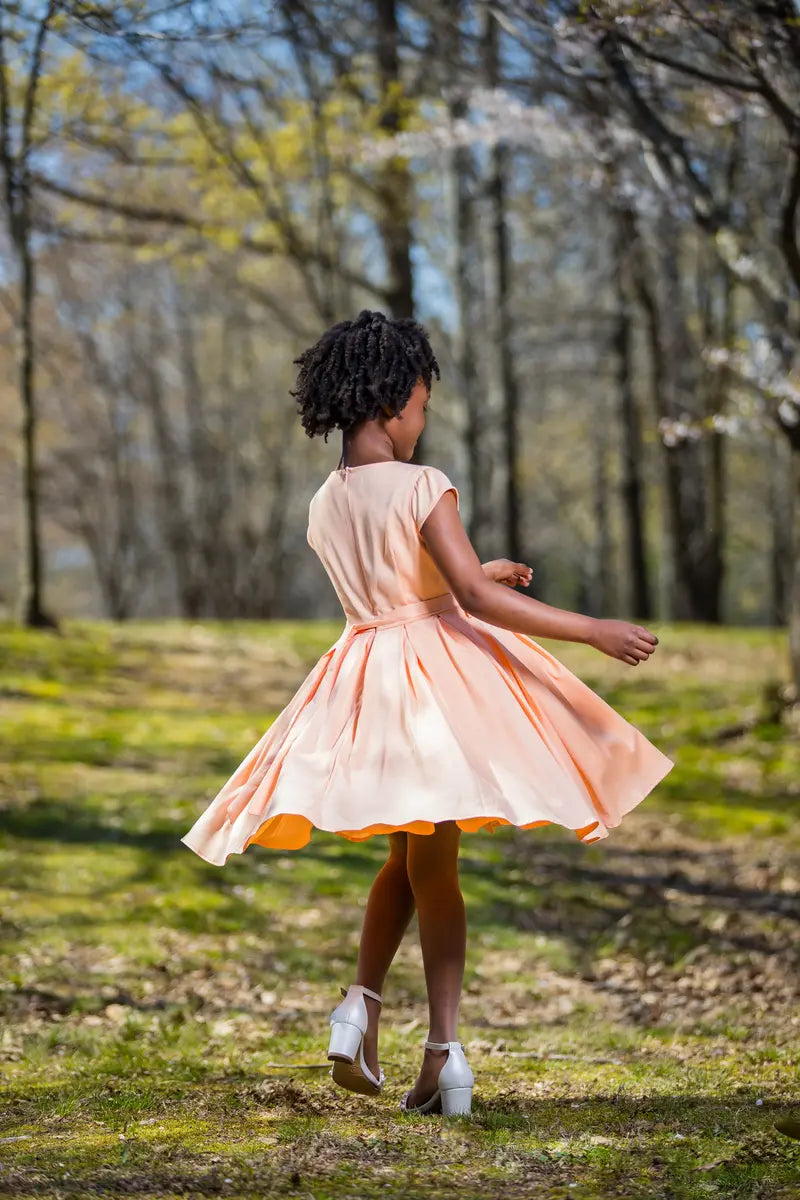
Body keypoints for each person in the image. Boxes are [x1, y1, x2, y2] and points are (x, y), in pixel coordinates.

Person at [180, 308, 674, 1117]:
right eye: (420, 406)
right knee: (435, 872)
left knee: (407, 864)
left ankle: (360, 1008)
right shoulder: (423, 483)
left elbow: (397, 583)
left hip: (365, 680)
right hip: (430, 694)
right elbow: (467, 601)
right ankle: (444, 1052)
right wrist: (593, 629)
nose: (421, 422)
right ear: (391, 400)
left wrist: (474, 570)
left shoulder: (323, 501)